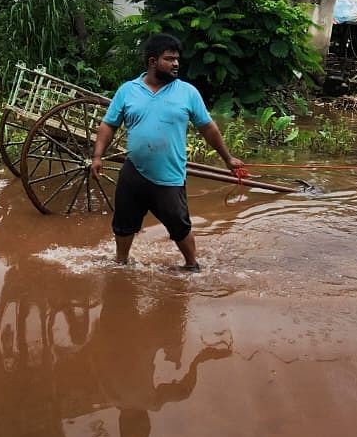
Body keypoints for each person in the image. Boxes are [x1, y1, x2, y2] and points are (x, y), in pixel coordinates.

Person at [91, 33, 245, 271]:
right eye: (169, 59)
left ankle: (192, 266)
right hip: (134, 171)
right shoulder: (127, 91)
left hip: (169, 175)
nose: (176, 64)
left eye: (177, 59)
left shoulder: (187, 93)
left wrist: (228, 158)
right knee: (123, 223)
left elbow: (208, 128)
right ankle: (121, 263)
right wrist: (98, 157)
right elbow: (108, 124)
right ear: (153, 61)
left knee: (179, 225)